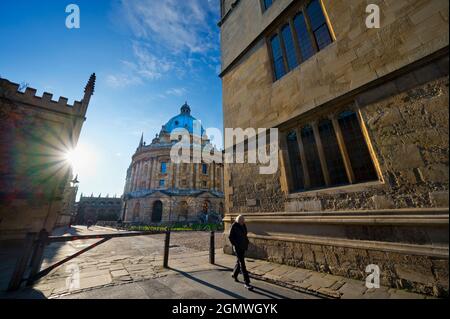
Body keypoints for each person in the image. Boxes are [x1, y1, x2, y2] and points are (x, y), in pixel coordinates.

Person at [228, 215, 253, 290]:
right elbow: (230, 237)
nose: (243, 222)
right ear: (238, 221)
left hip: (243, 246)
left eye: (243, 221)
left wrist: (246, 242)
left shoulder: (243, 225)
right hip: (238, 248)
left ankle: (234, 275)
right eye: (241, 221)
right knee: (242, 264)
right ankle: (247, 282)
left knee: (239, 262)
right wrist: (235, 244)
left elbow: (245, 234)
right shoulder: (234, 226)